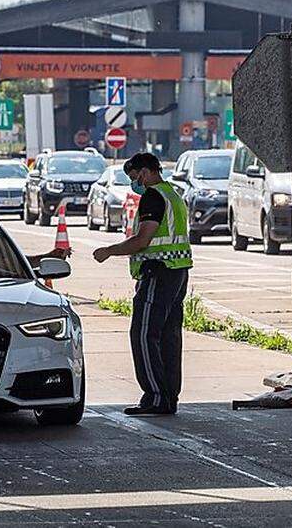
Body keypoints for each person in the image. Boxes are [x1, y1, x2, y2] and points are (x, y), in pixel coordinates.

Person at [92, 152, 191, 415]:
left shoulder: (153, 196)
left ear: (145, 172)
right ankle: (169, 397)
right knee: (169, 337)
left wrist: (108, 251)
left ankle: (156, 397)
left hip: (158, 273)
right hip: (177, 271)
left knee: (144, 334)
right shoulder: (173, 194)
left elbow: (142, 240)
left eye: (135, 177)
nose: (135, 183)